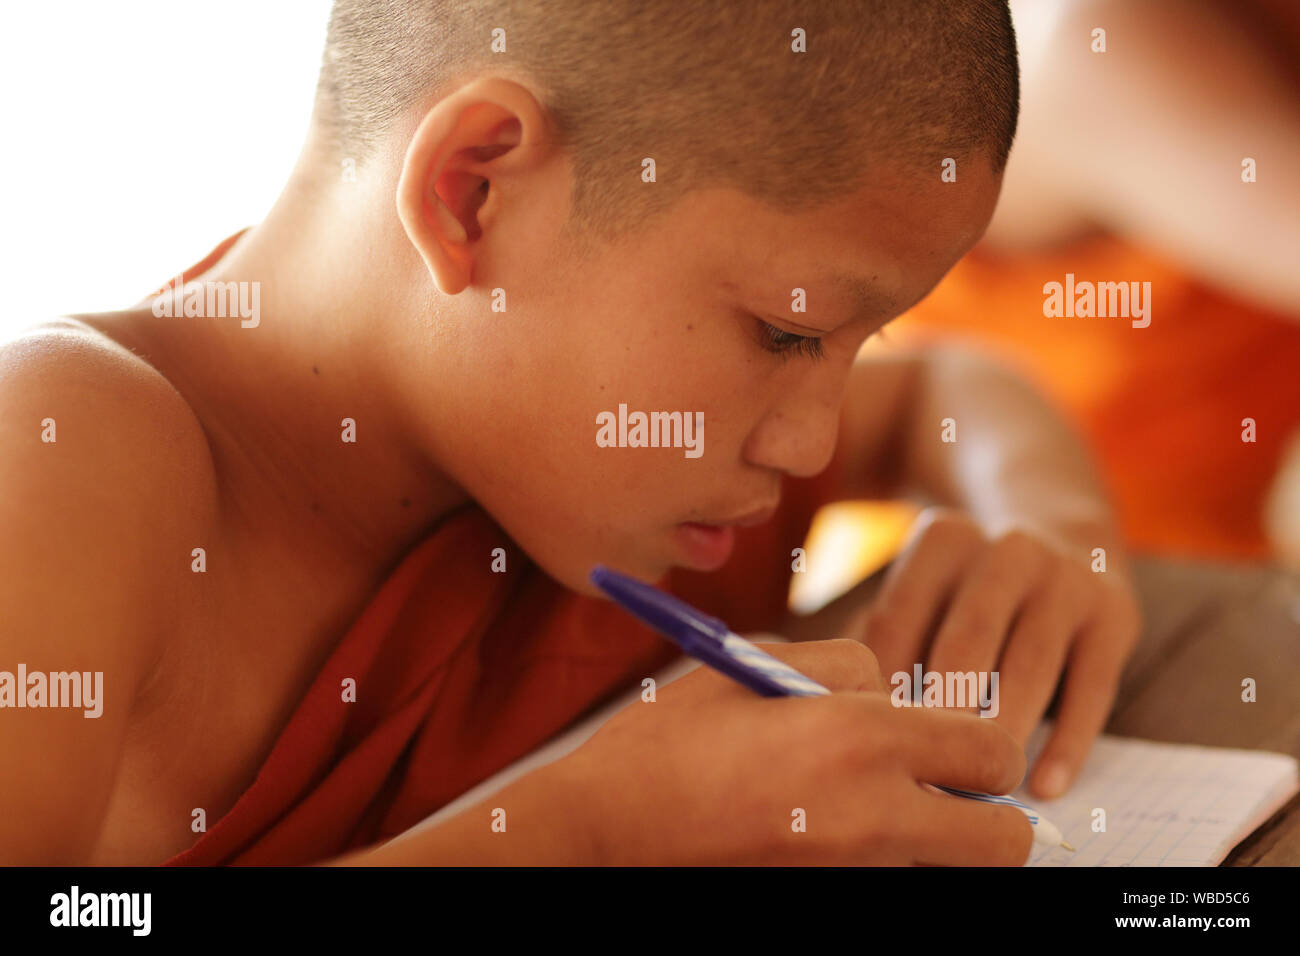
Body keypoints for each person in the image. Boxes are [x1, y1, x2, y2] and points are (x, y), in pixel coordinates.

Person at [0, 0, 1139, 866]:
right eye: (789, 332)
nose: (807, 440)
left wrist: (1053, 527)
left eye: (862, 340)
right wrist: (589, 829)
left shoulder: (595, 462)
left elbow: (958, 392)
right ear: (472, 190)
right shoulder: (69, 448)